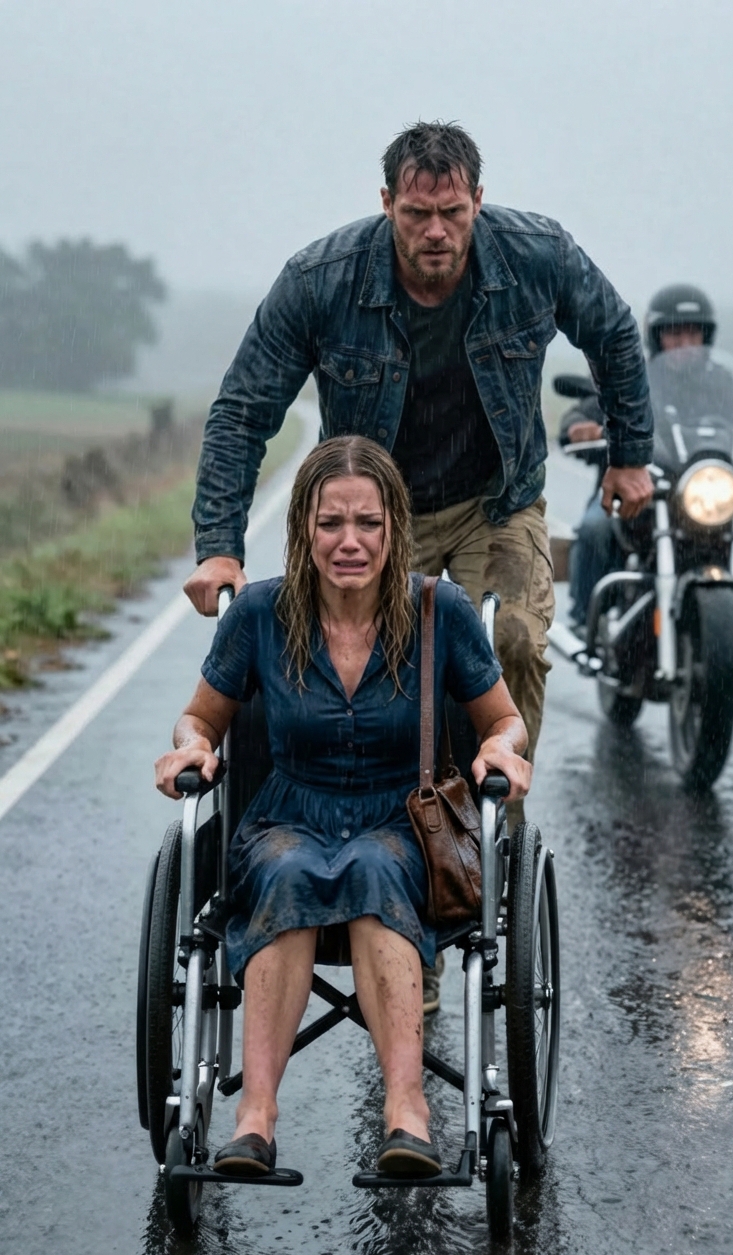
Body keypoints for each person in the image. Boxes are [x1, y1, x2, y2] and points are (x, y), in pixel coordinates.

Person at [183, 119, 654, 1009]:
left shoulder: (537, 254)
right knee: (391, 678)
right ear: (386, 205)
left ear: (478, 201)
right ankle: (400, 876)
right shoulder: (322, 279)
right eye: (415, 214)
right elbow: (244, 410)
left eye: (451, 212)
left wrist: (630, 453)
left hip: (495, 499)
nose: (435, 232)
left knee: (512, 636)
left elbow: (616, 336)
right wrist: (218, 546)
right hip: (377, 513)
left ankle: (483, 832)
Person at [155, 436, 531, 1179]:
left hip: (399, 820)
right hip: (289, 814)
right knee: (288, 872)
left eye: (368, 523)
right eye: (331, 524)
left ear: (394, 528)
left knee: (373, 869)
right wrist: (192, 748)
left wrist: (500, 750)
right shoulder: (261, 613)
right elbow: (201, 718)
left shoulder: (439, 612)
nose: (349, 542)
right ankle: (254, 1119)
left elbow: (504, 718)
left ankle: (407, 1111)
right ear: (303, 528)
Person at [562, 284, 716, 632]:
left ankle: (730, 610)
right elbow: (579, 415)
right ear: (657, 338)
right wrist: (582, 429)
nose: (683, 345)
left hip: (697, 496)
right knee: (595, 527)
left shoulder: (722, 384)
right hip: (637, 492)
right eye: (674, 335)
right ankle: (584, 616)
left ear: (705, 338)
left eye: (691, 334)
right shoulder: (632, 377)